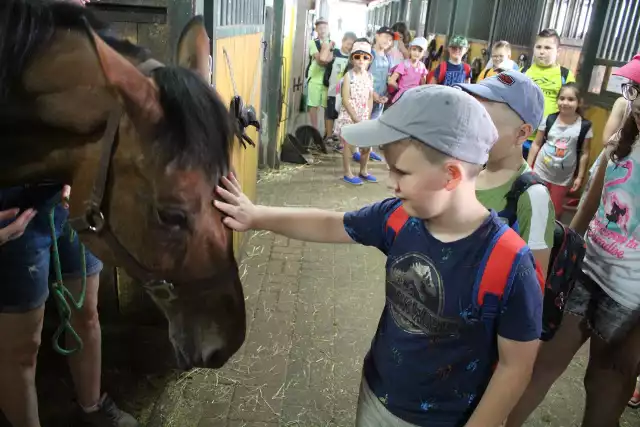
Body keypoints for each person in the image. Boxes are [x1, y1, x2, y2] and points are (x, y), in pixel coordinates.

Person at [214, 85, 544, 427]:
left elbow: (516, 366)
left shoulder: (507, 263)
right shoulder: (399, 218)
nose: (391, 183)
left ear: (451, 175)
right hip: (376, 393)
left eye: (401, 172)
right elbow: (331, 225)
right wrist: (256, 216)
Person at [505, 63, 640, 427]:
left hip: (631, 300)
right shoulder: (621, 145)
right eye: (635, 91)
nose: (638, 103)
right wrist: (562, 258)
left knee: (603, 387)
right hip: (586, 273)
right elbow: (586, 209)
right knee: (540, 366)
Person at [0, 183, 139, 427]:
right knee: (21, 349)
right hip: (8, 210)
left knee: (86, 313)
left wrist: (82, 174)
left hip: (66, 198)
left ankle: (92, 406)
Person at [456, 71, 555, 278]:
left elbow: (533, 285)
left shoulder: (532, 197)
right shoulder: (467, 172)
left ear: (522, 133)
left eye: (483, 122)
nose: (470, 130)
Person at [527, 83, 593, 219]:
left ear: (579, 102)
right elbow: (536, 143)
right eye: (562, 98)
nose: (565, 103)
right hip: (541, 170)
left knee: (554, 210)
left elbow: (585, 153)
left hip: (563, 178)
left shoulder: (584, 126)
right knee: (534, 204)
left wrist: (580, 177)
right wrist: (528, 166)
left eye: (570, 99)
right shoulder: (549, 119)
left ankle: (551, 235)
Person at [521, 29, 576, 159]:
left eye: (547, 48)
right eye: (538, 47)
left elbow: (572, 108)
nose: (542, 51)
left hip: (550, 140)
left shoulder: (565, 75)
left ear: (558, 52)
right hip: (522, 136)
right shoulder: (523, 72)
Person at [334, 40, 375, 185]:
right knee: (348, 145)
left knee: (367, 146)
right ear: (352, 59)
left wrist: (367, 115)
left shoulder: (370, 77)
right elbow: (345, 99)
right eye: (357, 57)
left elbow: (370, 97)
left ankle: (363, 170)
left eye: (365, 57)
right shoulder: (348, 76)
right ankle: (347, 172)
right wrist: (354, 117)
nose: (361, 60)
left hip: (364, 115)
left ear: (370, 59)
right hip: (349, 116)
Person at [324, 32, 357, 146]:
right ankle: (328, 135)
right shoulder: (335, 53)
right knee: (329, 113)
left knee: (341, 114)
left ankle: (338, 135)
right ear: (342, 41)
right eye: (348, 44)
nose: (349, 47)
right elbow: (327, 67)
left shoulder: (352, 58)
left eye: (351, 45)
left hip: (344, 92)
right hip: (333, 89)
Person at [306, 18, 334, 130]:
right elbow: (320, 61)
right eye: (320, 28)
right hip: (315, 79)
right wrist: (327, 50)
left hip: (328, 80)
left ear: (328, 29)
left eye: (324, 27)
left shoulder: (333, 43)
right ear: (316, 29)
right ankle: (315, 131)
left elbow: (329, 60)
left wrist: (326, 55)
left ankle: (327, 132)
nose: (322, 30)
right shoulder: (313, 43)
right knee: (313, 106)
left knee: (327, 107)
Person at [387, 37, 428, 104]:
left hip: (414, 98)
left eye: (420, 51)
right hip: (403, 97)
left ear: (424, 53)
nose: (416, 53)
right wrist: (401, 88)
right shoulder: (404, 64)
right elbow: (391, 81)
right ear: (410, 50)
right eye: (414, 49)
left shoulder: (422, 66)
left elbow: (422, 85)